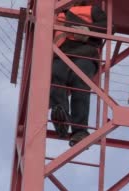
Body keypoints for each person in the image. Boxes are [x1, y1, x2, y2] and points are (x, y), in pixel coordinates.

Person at [50, 0, 107, 146]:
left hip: (84, 52)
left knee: (80, 85)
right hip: (61, 54)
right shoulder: (53, 15)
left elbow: (109, 27)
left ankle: (80, 131)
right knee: (56, 77)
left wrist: (88, 30)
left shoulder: (91, 10)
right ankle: (60, 115)